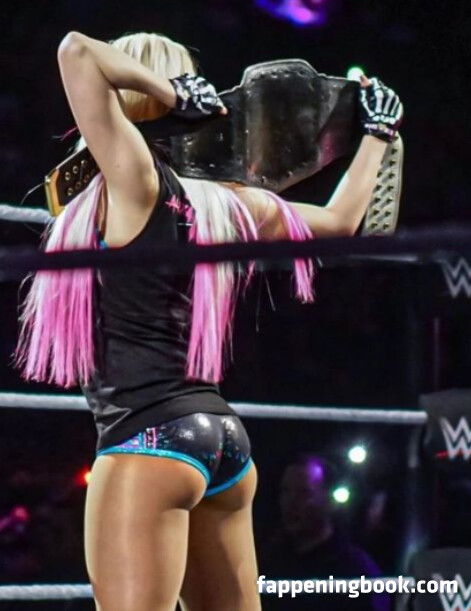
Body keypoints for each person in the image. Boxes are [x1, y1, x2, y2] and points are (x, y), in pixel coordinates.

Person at [15, 31, 403, 611]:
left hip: (148, 442)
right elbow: (342, 221)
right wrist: (378, 133)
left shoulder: (135, 183)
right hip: (221, 441)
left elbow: (76, 51)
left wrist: (167, 91)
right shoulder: (225, 203)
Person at [260, 456, 391, 610]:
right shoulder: (270, 562)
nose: (291, 502)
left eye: (304, 492)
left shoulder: (356, 571)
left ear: (329, 500)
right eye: (286, 491)